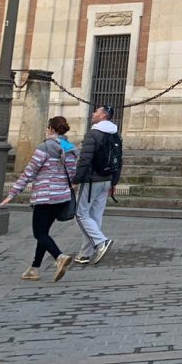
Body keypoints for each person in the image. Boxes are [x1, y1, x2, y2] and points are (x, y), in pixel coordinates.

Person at [0, 116, 77, 281]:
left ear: (50, 129)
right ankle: (34, 268)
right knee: (44, 233)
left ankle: (59, 256)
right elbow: (73, 174)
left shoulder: (44, 147)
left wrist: (12, 193)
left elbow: (29, 172)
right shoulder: (70, 149)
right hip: (61, 197)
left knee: (39, 233)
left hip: (44, 197)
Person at [72, 105, 121, 265]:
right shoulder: (116, 134)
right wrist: (114, 182)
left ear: (103, 115)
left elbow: (85, 159)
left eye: (96, 111)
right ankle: (85, 254)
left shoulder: (93, 133)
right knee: (95, 217)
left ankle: (101, 242)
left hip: (91, 180)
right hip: (107, 180)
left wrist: (76, 180)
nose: (93, 113)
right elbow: (119, 160)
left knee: (80, 214)